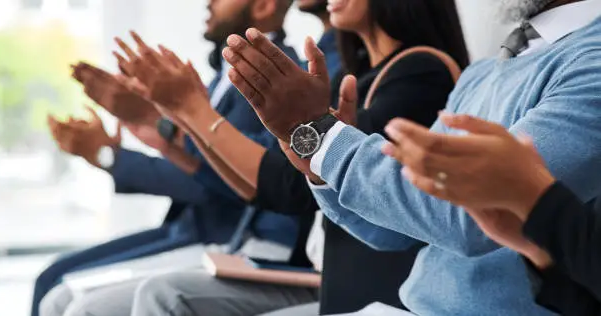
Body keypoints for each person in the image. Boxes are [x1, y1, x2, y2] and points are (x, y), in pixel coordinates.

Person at [220, 0, 601, 314]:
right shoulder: (484, 71)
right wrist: (315, 157)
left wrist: (320, 135)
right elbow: (392, 231)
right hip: (410, 306)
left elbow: (472, 219)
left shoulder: (591, 63)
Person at [127, 0, 468, 315]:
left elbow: (286, 183)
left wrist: (191, 109)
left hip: (365, 285)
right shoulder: (358, 70)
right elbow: (261, 188)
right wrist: (186, 113)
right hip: (326, 270)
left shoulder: (420, 73)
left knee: (160, 295)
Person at [37, 0, 301, 315]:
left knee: (66, 296)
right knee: (53, 280)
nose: (210, 2)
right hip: (197, 230)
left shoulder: (269, 79)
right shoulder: (223, 77)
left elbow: (225, 181)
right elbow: (201, 160)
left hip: (223, 236)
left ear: (263, 6)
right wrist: (147, 127)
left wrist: (126, 145)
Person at [383, 113, 601, 316]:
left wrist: (536, 200)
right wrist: (536, 250)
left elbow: (456, 222)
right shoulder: (476, 76)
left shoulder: (587, 82)